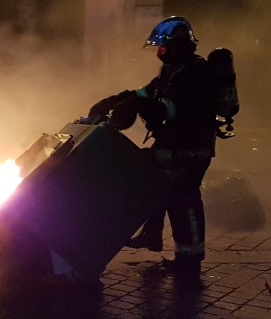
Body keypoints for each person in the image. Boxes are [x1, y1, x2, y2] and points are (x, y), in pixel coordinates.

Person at [90, 16, 215, 286]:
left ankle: (190, 261)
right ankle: (159, 239)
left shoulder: (195, 72)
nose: (159, 53)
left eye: (163, 48)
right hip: (172, 143)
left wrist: (140, 108)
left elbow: (175, 110)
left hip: (190, 148)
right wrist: (121, 99)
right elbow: (148, 93)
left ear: (178, 46)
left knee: (185, 203)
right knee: (164, 192)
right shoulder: (173, 70)